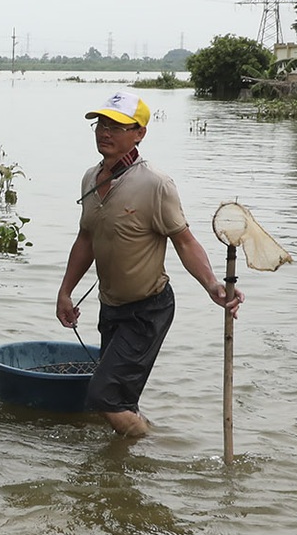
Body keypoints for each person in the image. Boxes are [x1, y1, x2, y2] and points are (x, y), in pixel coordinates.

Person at [55, 89, 242, 438]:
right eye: (101, 124)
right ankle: (126, 463)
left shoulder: (155, 184)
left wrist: (214, 286)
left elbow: (184, 241)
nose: (105, 132)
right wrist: (65, 292)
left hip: (147, 311)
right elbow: (85, 240)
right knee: (120, 396)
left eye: (117, 126)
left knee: (104, 396)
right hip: (110, 307)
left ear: (139, 133)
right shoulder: (89, 179)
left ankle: (154, 447)